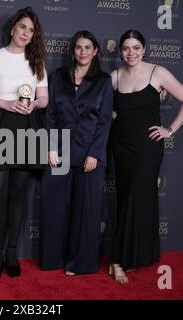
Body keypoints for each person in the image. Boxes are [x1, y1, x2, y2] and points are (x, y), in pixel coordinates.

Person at [109, 30, 183, 283]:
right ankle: (128, 256)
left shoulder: (157, 72)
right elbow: (109, 112)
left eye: (136, 48)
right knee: (126, 198)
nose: (131, 53)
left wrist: (169, 130)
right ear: (121, 51)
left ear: (144, 49)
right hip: (121, 146)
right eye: (126, 48)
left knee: (139, 196)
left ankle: (117, 259)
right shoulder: (114, 77)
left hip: (148, 148)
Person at [0, 7, 48, 278]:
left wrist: (33, 106)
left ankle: (13, 251)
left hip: (27, 127)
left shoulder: (36, 61)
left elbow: (44, 98)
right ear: (12, 28)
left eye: (31, 30)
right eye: (22, 27)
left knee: (19, 193)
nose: (26, 33)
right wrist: (4, 102)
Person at [39, 31, 113, 275]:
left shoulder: (103, 81)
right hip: (58, 152)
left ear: (95, 52)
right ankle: (53, 260)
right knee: (55, 208)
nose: (82, 52)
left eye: (88, 47)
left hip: (89, 154)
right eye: (78, 47)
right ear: (73, 51)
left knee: (86, 211)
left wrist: (95, 153)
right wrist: (50, 146)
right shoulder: (58, 77)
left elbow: (104, 121)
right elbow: (48, 114)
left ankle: (80, 264)